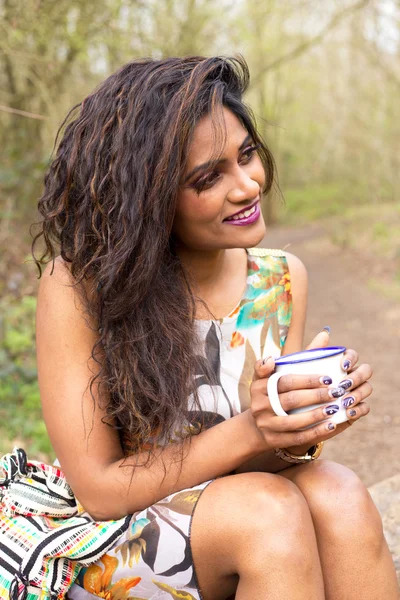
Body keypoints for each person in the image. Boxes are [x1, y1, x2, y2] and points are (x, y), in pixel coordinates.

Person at [32, 56, 398, 600]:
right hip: (117, 536)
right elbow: (101, 490)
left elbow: (260, 465)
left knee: (337, 492)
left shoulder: (280, 279)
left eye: (247, 155)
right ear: (149, 200)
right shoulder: (80, 288)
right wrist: (252, 428)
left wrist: (299, 428)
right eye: (209, 177)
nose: (247, 186)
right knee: (267, 514)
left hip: (239, 511)